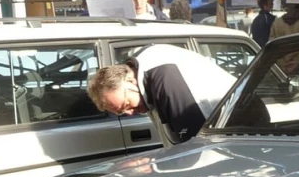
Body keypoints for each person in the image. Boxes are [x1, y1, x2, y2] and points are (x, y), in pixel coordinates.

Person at [88, 44, 237, 147]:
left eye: (126, 105)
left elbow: (193, 148)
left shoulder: (165, 79)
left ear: (130, 81)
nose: (129, 113)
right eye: (121, 112)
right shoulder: (141, 72)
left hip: (239, 129)